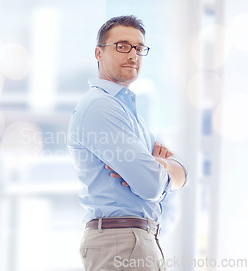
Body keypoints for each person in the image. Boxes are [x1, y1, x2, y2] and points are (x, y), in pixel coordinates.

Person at [67, 15, 188, 271]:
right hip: (121, 242)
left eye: (139, 48)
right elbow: (150, 184)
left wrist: (162, 165)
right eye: (122, 46)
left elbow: (180, 172)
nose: (133, 54)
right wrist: (163, 170)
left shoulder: (130, 113)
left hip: (138, 239)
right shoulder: (101, 107)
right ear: (98, 53)